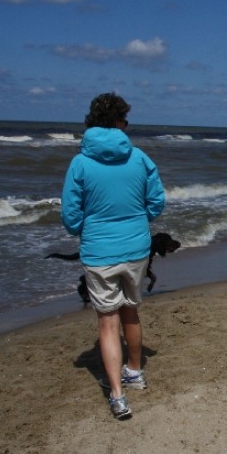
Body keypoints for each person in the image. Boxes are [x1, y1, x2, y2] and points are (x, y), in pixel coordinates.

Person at [60, 93, 165, 419]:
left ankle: (118, 396)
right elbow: (156, 202)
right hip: (135, 248)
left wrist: (89, 228)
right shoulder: (139, 158)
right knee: (130, 311)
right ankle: (134, 370)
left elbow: (71, 217)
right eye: (125, 120)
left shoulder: (80, 163)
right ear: (119, 122)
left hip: (99, 252)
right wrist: (137, 220)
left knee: (108, 322)